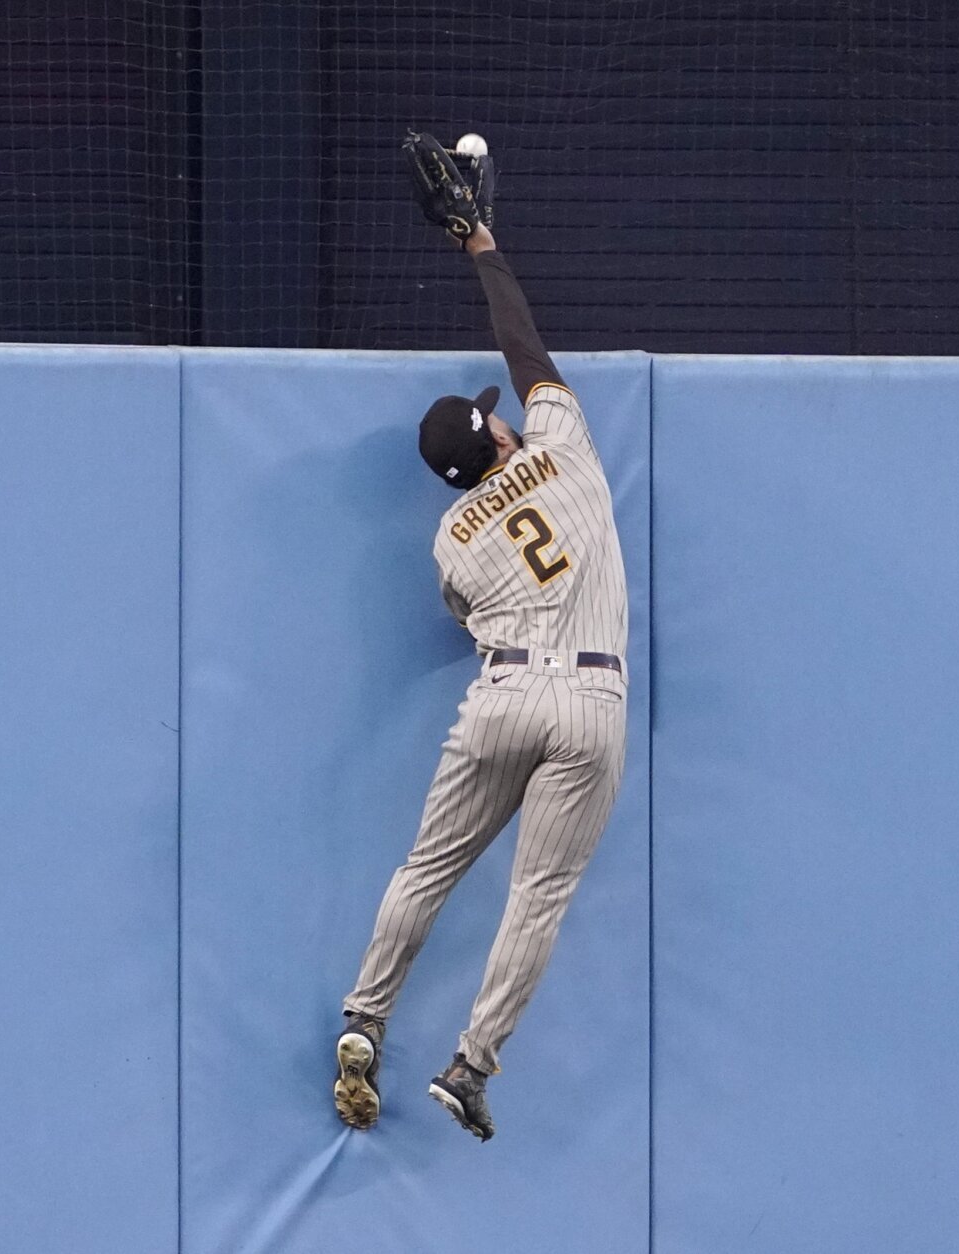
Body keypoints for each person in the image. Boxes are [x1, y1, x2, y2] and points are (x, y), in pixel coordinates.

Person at [333, 219, 630, 1141]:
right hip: (588, 703)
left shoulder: (451, 538)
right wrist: (479, 242)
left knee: (427, 868)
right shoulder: (562, 450)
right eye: (494, 413)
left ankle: (365, 1019)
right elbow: (526, 344)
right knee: (535, 897)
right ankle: (469, 1065)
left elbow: (468, 624)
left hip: (499, 696)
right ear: (498, 438)